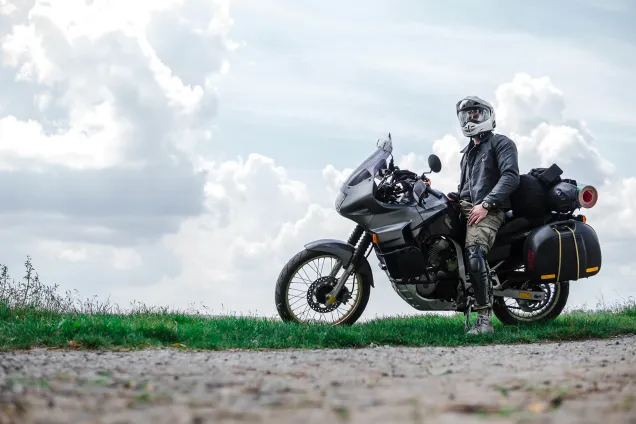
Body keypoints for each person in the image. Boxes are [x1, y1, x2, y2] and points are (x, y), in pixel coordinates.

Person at [447, 96, 520, 335]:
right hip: (470, 207)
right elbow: (467, 189)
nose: (470, 118)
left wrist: (487, 204)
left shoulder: (501, 143)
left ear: (488, 115)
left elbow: (510, 177)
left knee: (474, 250)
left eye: (475, 113)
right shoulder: (467, 153)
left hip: (491, 209)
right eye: (466, 114)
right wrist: (454, 199)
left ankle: (484, 319)